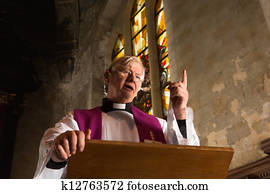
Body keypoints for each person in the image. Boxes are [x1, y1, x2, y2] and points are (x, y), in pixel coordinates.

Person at [34, 56, 199, 178]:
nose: (132, 78)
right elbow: (52, 143)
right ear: (107, 77)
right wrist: (58, 152)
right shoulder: (78, 120)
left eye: (138, 76)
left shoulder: (158, 125)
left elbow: (188, 159)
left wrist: (180, 111)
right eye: (125, 71)